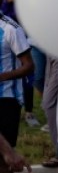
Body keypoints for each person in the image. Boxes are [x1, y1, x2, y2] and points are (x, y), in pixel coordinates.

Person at [0, 10, 34, 155]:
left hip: (6, 99)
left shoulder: (11, 29)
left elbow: (29, 65)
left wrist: (2, 77)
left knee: (5, 158)